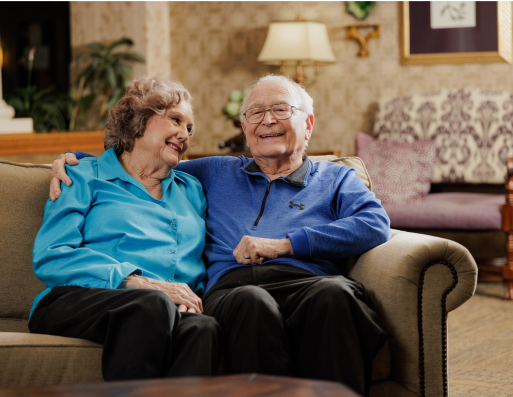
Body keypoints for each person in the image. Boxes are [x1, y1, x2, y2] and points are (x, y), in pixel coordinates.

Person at [50, 74, 390, 396]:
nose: (267, 120)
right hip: (233, 288)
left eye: (280, 109)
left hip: (309, 281)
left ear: (308, 125)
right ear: (244, 127)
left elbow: (375, 223)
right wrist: (74, 160)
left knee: (335, 295)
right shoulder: (214, 171)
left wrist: (285, 245)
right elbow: (138, 161)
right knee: (250, 301)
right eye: (255, 113)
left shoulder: (336, 178)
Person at [30, 76, 223, 382]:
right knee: (152, 304)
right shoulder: (82, 177)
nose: (185, 134)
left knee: (203, 327)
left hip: (163, 307)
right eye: (175, 119)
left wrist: (187, 300)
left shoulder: (192, 189)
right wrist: (136, 282)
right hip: (78, 299)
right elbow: (50, 256)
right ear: (138, 120)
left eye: (190, 128)